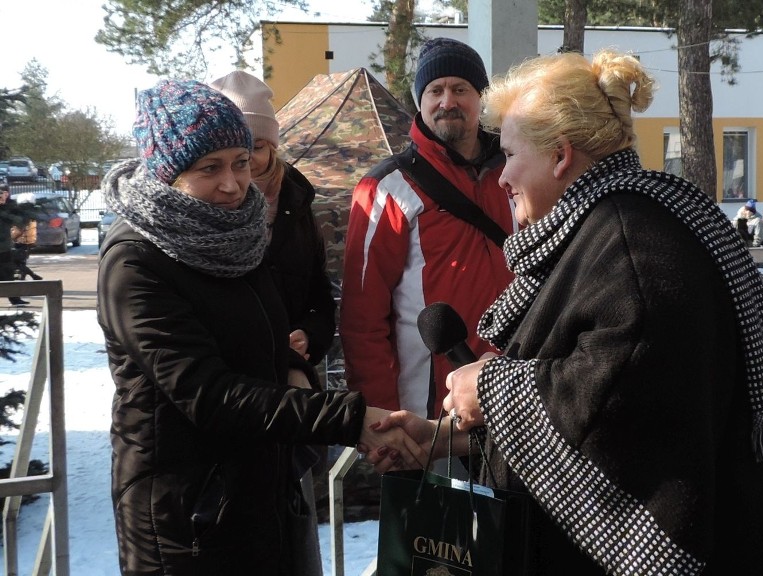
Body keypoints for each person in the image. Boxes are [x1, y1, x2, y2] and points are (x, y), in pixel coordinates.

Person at [372, 50, 763, 574]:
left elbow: (619, 401)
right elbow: (619, 420)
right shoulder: (629, 216)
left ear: (560, 155)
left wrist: (490, 389)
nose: (503, 177)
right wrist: (450, 439)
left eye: (510, 156)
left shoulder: (631, 241)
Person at [96, 79, 424, 576]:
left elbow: (269, 330)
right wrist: (348, 418)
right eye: (210, 168)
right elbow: (205, 392)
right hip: (189, 516)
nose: (232, 183)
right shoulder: (135, 260)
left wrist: (294, 364)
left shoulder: (236, 230)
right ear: (167, 172)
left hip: (262, 491)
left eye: (241, 162)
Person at [339, 37, 517, 421]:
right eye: (435, 90)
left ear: (480, 97)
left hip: (512, 395)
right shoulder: (386, 188)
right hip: (431, 414)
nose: (447, 102)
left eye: (460, 89)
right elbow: (361, 317)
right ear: (420, 100)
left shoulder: (515, 172)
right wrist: (381, 415)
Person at [209, 68, 337, 544]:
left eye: (254, 148)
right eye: (222, 157)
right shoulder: (200, 217)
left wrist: (309, 335)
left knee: (291, 532)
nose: (239, 172)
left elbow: (320, 294)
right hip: (235, 396)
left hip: (292, 388)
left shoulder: (298, 200)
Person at [0, 182, 29, 306]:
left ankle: (15, 299)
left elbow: (20, 221)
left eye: (4, 193)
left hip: (4, 247)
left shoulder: (10, 206)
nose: (2, 196)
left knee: (9, 274)